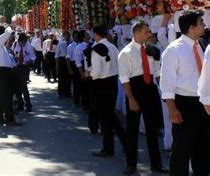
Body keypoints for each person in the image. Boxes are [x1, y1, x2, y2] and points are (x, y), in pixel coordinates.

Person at [161, 10, 208, 175]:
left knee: (202, 151)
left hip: (203, 104)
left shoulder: (202, 45)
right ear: (191, 27)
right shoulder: (173, 50)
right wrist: (172, 108)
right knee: (181, 152)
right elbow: (166, 83)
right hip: (184, 104)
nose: (205, 25)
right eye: (201, 22)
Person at [118, 21, 167, 175]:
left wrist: (164, 92)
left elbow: (158, 74)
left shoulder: (153, 50)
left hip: (150, 90)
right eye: (146, 32)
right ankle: (131, 164)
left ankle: (156, 164)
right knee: (132, 130)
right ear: (136, 33)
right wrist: (131, 99)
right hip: (134, 90)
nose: (150, 34)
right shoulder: (125, 53)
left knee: (152, 130)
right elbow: (125, 79)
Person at [89, 24, 126, 158]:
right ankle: (124, 142)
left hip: (101, 84)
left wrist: (90, 74)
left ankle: (109, 147)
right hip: (113, 82)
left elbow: (97, 71)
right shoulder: (113, 47)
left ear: (95, 34)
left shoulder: (96, 48)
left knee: (105, 117)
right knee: (110, 115)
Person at [0, 25, 21, 126]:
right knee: (7, 96)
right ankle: (9, 119)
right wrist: (9, 27)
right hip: (3, 72)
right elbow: (7, 33)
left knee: (0, 96)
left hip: (1, 71)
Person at [12, 33, 35, 112]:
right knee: (17, 87)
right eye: (20, 42)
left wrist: (28, 61)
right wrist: (14, 57)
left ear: (26, 41)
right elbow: (12, 53)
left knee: (23, 86)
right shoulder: (15, 44)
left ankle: (28, 104)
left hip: (24, 67)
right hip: (16, 67)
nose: (22, 44)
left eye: (23, 42)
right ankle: (20, 104)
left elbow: (33, 58)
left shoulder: (29, 47)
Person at [56, 31, 71, 97]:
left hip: (70, 60)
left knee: (68, 77)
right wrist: (57, 63)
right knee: (61, 77)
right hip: (62, 60)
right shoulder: (60, 43)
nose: (67, 37)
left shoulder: (71, 42)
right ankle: (60, 92)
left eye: (68, 35)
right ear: (63, 36)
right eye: (66, 35)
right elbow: (57, 54)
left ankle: (67, 92)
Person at [66, 31, 80, 106]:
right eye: (75, 36)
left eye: (78, 36)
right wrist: (69, 68)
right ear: (73, 37)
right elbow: (68, 58)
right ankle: (76, 100)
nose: (76, 37)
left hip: (81, 64)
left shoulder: (81, 45)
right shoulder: (70, 46)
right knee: (75, 83)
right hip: (74, 64)